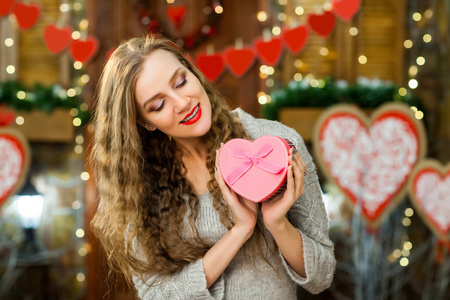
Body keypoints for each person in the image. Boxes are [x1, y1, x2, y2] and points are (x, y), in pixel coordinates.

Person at [90, 34, 336, 299]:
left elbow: (322, 276)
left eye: (181, 81)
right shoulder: (136, 182)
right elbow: (158, 295)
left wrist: (277, 224)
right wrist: (240, 231)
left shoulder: (276, 144)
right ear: (145, 122)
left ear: (193, 72)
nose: (182, 103)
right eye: (159, 105)